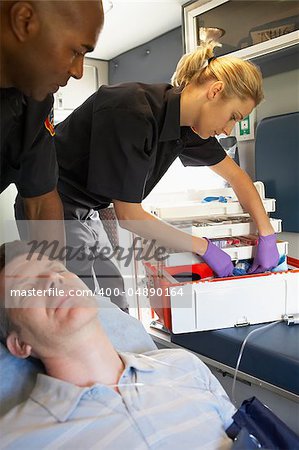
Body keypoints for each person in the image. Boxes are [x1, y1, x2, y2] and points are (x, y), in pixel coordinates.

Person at [28, 41, 279, 305]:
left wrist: (267, 234)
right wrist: (204, 248)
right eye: (233, 117)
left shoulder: (187, 128)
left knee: (114, 295)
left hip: (88, 210)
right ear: (215, 91)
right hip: (51, 204)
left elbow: (237, 177)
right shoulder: (131, 110)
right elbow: (130, 216)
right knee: (77, 305)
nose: (229, 130)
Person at [0, 240, 236, 449]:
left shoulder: (185, 366)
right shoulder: (16, 439)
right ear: (20, 344)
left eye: (57, 269)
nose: (53, 280)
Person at [0, 0, 104, 248]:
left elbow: (41, 198)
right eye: (76, 51)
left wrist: (52, 275)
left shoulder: (35, 103)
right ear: (24, 21)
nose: (79, 72)